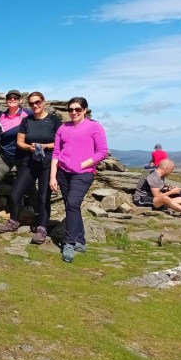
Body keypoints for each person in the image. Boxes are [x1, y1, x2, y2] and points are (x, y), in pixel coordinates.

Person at [0, 92, 62, 243]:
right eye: (32, 104)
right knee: (15, 193)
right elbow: (20, 142)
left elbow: (61, 142)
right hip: (29, 161)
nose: (35, 106)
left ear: (43, 102)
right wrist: (29, 147)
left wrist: (45, 146)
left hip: (47, 163)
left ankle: (41, 228)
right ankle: (14, 222)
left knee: (43, 197)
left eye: (38, 102)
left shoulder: (54, 120)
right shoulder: (26, 120)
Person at [50, 97, 108, 263]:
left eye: (77, 109)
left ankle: (68, 243)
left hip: (83, 173)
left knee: (73, 204)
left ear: (85, 110)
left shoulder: (94, 127)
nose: (74, 112)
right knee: (72, 206)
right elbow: (56, 153)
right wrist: (53, 176)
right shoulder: (63, 128)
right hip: (63, 173)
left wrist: (83, 164)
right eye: (71, 110)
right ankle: (80, 241)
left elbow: (102, 151)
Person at [0, 89, 32, 217]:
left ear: (20, 100)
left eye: (15, 98)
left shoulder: (28, 114)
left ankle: (25, 210)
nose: (12, 100)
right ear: (6, 101)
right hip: (5, 156)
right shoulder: (0, 117)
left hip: (24, 156)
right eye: (10, 98)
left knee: (27, 184)